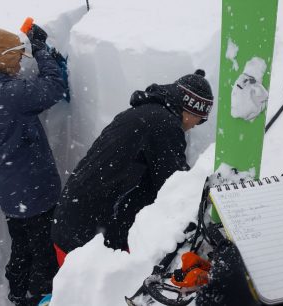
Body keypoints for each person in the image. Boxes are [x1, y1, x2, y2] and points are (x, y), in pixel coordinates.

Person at [51, 69, 214, 264]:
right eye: (201, 118)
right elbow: (176, 184)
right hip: (88, 234)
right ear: (191, 107)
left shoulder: (145, 113)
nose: (198, 124)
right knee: (97, 291)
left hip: (73, 216)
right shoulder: (164, 125)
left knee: (78, 289)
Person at [0, 25, 68, 306]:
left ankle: (16, 293)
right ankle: (41, 297)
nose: (19, 63)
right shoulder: (10, 94)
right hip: (33, 189)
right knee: (43, 250)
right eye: (17, 57)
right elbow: (53, 88)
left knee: (22, 244)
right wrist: (41, 51)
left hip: (9, 190)